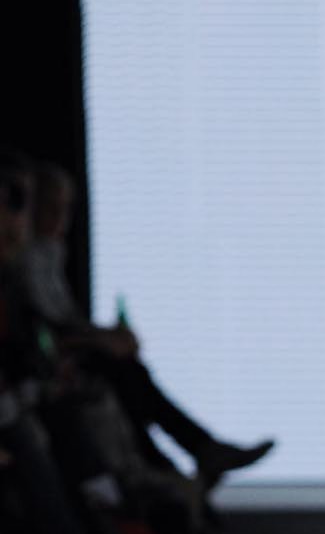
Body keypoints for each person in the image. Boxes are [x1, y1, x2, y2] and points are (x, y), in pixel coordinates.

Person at [20, 160, 276, 491]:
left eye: (65, 208)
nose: (60, 218)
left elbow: (66, 320)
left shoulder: (50, 254)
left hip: (80, 364)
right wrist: (102, 341)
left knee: (130, 377)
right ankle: (188, 458)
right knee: (125, 376)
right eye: (50, 208)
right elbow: (46, 329)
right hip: (56, 377)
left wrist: (109, 336)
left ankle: (188, 459)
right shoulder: (23, 260)